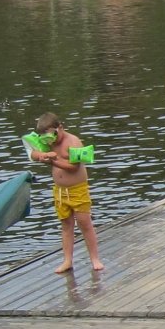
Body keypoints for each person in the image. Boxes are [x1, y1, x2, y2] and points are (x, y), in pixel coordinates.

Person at [29, 113, 104, 275]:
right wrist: (41, 155)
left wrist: (53, 161)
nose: (50, 140)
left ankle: (95, 258)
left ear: (60, 128)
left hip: (77, 189)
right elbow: (32, 152)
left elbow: (74, 167)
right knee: (66, 224)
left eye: (52, 135)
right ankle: (67, 260)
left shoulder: (73, 142)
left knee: (85, 223)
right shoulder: (48, 142)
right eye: (45, 138)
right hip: (60, 191)